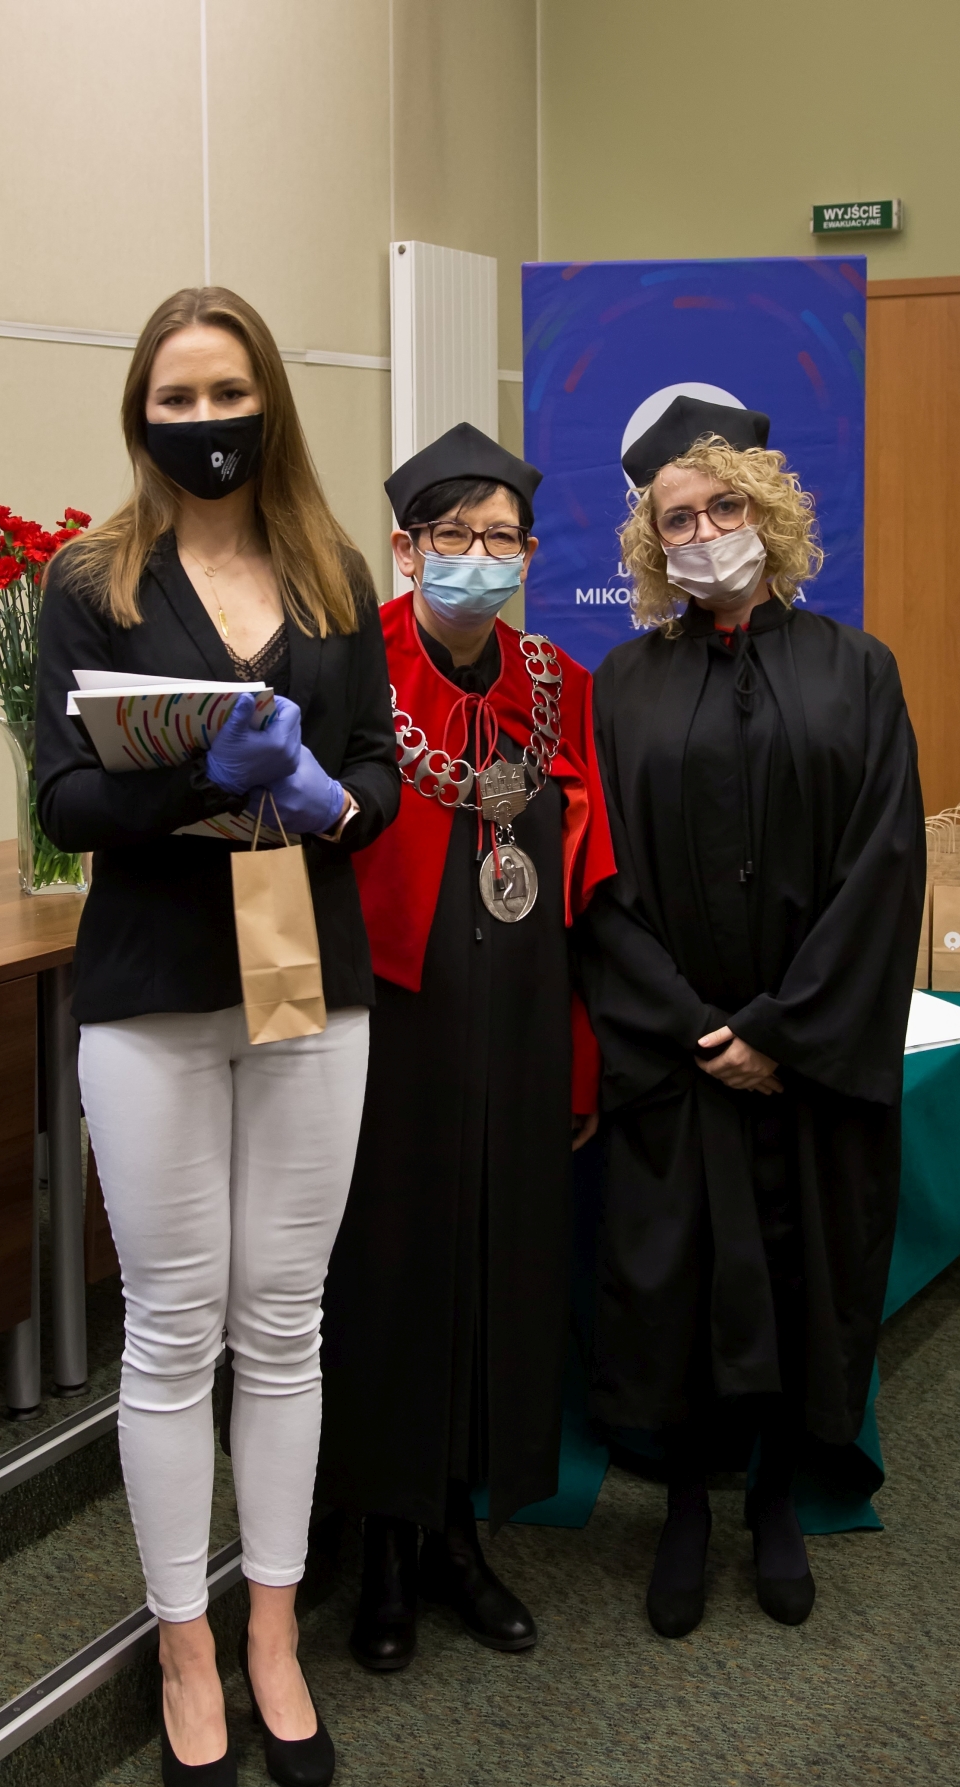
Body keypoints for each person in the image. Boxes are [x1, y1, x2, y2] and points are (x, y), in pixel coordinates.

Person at [35, 286, 399, 1787]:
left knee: (287, 1321)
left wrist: (329, 800)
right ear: (141, 414)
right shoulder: (92, 581)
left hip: (309, 978)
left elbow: (376, 778)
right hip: (154, 989)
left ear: (269, 404)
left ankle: (271, 1631)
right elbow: (63, 797)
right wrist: (197, 773)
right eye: (175, 398)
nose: (204, 422)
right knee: (176, 1329)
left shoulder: (333, 572)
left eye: (226, 392)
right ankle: (184, 1645)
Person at [577, 396, 924, 1639]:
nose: (704, 532)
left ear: (768, 514)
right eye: (676, 519)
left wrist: (779, 1030)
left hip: (805, 1060)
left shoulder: (855, 670)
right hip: (676, 1059)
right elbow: (597, 880)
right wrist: (690, 1027)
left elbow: (883, 866)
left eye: (724, 506)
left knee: (797, 1272)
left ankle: (776, 1499)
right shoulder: (622, 685)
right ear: (650, 544)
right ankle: (682, 1504)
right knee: (673, 1280)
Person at [316, 422, 615, 1672]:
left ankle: (458, 1532)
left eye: (502, 539)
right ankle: (381, 1545)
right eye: (454, 536)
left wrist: (577, 1057)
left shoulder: (558, 683)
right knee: (392, 1275)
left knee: (501, 1267)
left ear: (530, 555)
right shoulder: (351, 667)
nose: (478, 558)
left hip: (520, 1021)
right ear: (406, 548)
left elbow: (586, 886)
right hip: (393, 1022)